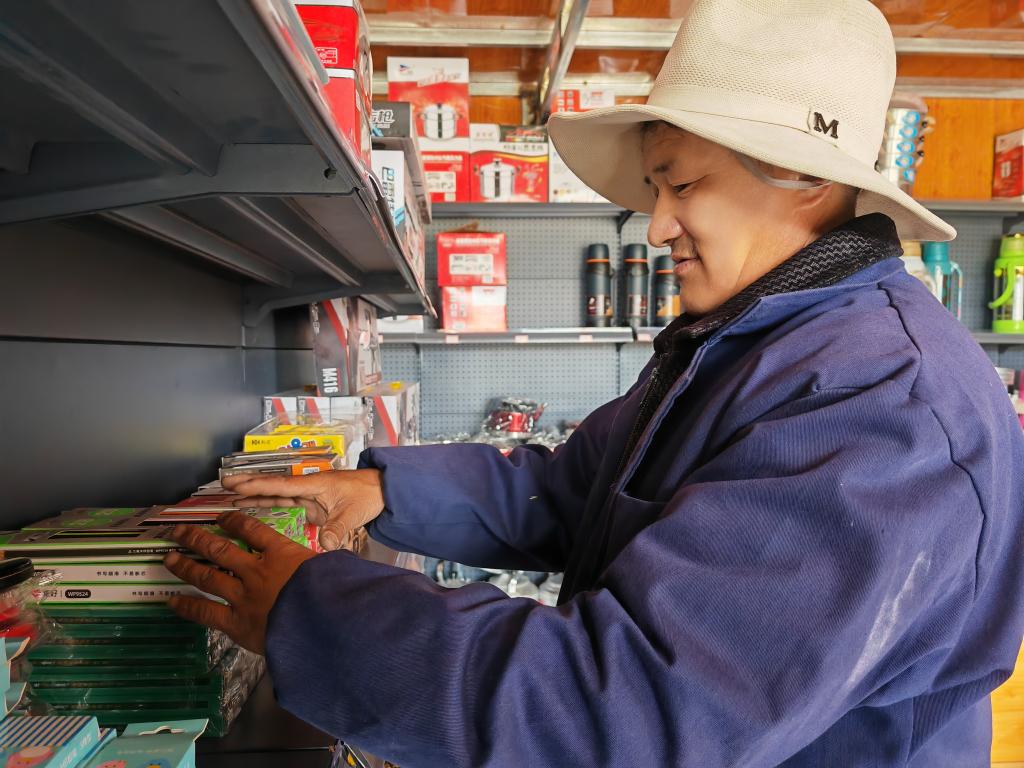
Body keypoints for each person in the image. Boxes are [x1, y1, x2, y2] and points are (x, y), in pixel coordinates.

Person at [164, 0, 1024, 765]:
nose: (656, 226)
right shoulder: (748, 343)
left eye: (682, 184)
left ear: (807, 180)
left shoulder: (882, 405)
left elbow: (630, 713)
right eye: (655, 188)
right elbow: (572, 492)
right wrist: (383, 490)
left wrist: (315, 614)